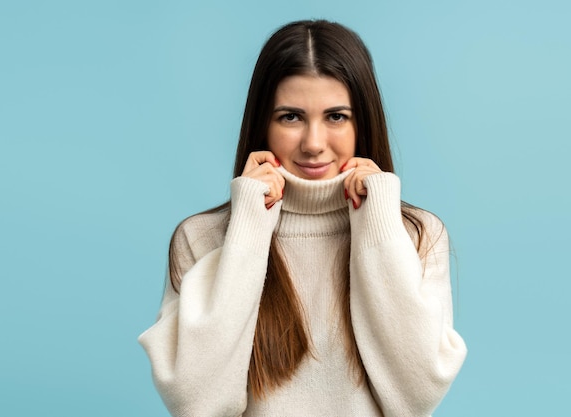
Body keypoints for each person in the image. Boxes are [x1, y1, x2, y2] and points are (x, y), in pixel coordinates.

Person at [138, 19, 467, 417]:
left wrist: (376, 222)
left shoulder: (416, 235)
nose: (313, 144)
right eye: (291, 117)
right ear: (263, 123)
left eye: (336, 117)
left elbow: (416, 397)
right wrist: (249, 228)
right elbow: (196, 403)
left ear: (362, 122)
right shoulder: (202, 238)